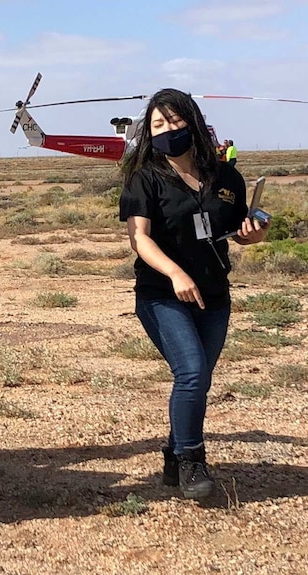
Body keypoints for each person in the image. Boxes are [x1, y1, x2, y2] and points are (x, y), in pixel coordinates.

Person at [119, 89, 268, 500]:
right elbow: (140, 240)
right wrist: (174, 272)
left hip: (214, 296)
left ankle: (172, 452)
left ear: (194, 122)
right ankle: (191, 459)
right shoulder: (145, 178)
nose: (169, 130)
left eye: (175, 121)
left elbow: (243, 231)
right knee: (191, 372)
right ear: (149, 134)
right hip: (162, 295)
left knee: (197, 379)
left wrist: (255, 233)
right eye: (159, 125)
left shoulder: (226, 178)